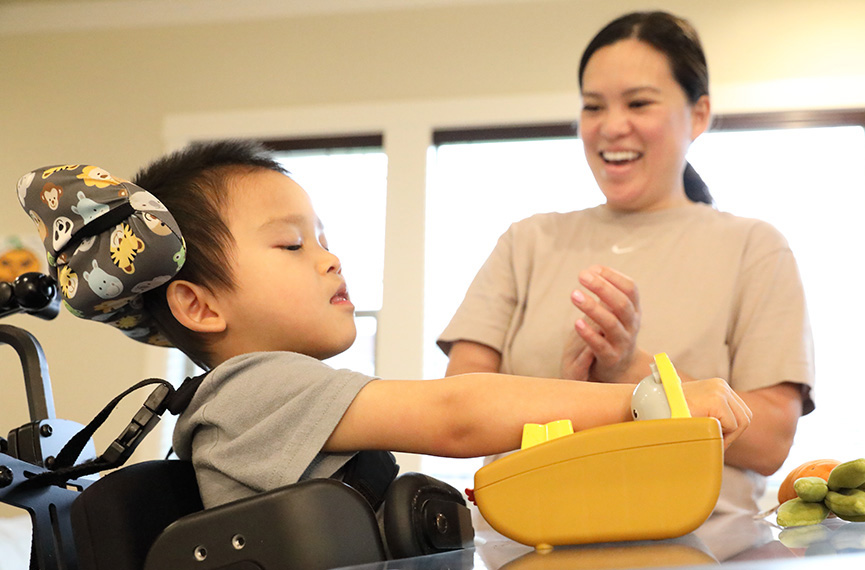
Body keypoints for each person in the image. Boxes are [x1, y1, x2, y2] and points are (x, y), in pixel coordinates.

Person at [16, 140, 745, 510]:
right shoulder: (252, 389)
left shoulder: (275, 396)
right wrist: (645, 400)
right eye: (292, 245)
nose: (330, 259)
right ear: (200, 306)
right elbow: (456, 413)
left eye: (324, 239)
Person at [439, 11, 814, 515]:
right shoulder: (527, 241)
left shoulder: (754, 247)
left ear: (699, 114)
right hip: (525, 535)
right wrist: (582, 393)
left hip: (701, 542)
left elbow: (770, 441)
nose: (612, 127)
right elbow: (459, 408)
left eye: (639, 103)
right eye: (593, 106)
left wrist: (631, 371)